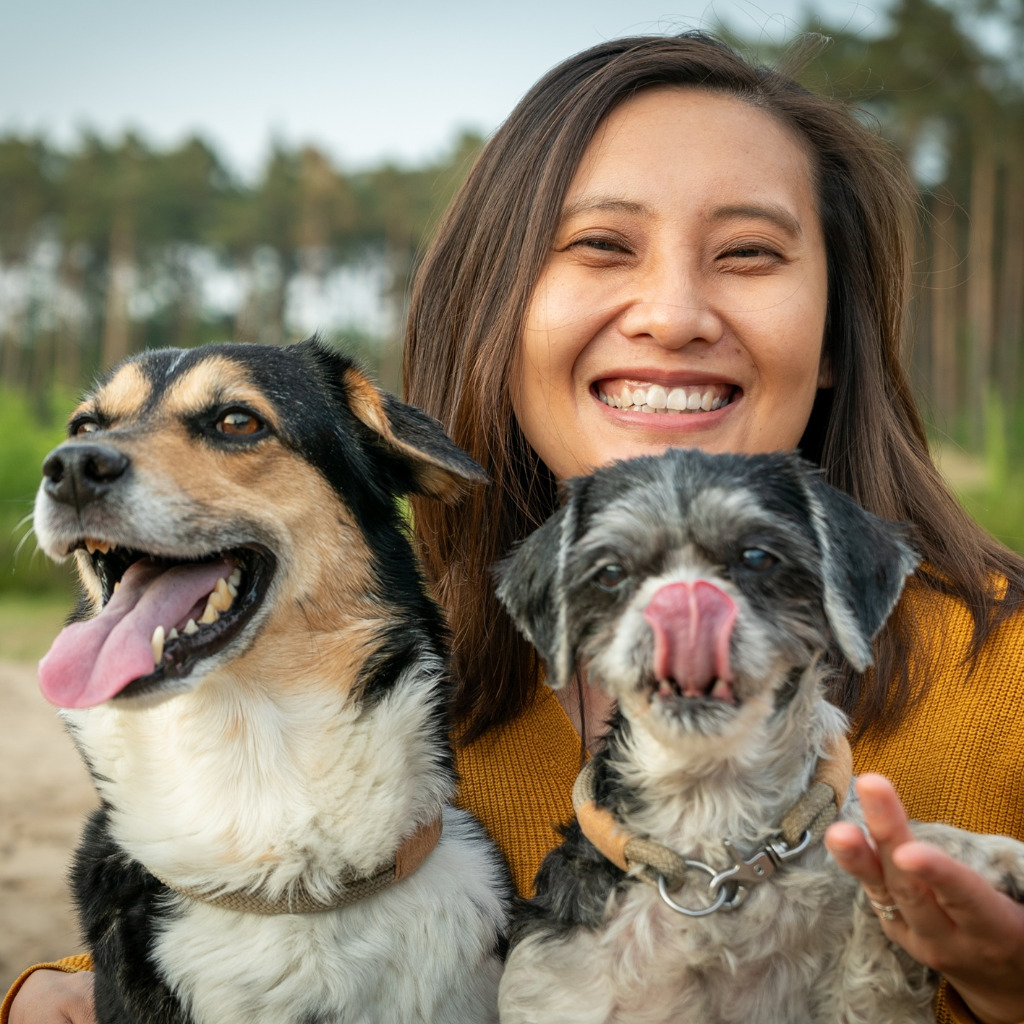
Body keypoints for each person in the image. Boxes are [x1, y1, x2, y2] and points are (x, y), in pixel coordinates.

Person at [6, 30, 1024, 1024]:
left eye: (749, 253)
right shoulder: (367, 668)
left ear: (836, 328)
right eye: (600, 245)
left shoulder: (1006, 677)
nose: (672, 314)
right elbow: (237, 918)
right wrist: (60, 981)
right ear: (497, 312)